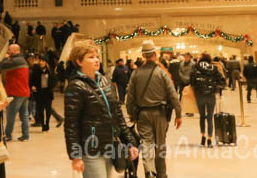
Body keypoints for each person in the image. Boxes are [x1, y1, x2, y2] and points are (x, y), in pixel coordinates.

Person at [64, 39, 138, 178]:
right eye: (91, 57)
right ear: (79, 61)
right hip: (91, 149)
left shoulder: (105, 81)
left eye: (97, 56)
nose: (96, 60)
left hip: (110, 146)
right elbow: (71, 124)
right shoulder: (76, 86)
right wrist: (75, 155)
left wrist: (130, 142)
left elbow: (117, 115)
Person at [125, 40, 182, 178]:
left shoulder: (136, 74)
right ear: (155, 54)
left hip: (143, 114)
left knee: (146, 143)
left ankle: (149, 171)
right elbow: (173, 95)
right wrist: (178, 114)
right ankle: (161, 174)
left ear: (143, 55)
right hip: (160, 114)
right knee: (160, 145)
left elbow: (130, 97)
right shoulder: (162, 73)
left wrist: (131, 113)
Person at [189, 53, 225, 146]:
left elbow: (191, 81)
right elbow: (222, 81)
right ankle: (209, 139)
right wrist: (215, 89)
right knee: (209, 117)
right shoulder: (214, 68)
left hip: (200, 95)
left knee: (202, 116)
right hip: (211, 95)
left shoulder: (196, 67)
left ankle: (203, 137)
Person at [0, 44, 31, 143]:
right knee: (24, 115)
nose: (8, 51)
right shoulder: (22, 60)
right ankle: (26, 135)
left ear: (15, 50)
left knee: (11, 115)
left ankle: (8, 135)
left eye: (10, 49)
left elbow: (1, 65)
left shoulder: (16, 61)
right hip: (24, 92)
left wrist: (5, 58)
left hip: (16, 92)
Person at [30, 56, 58, 132]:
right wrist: (32, 86)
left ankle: (47, 124)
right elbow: (31, 80)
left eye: (43, 61)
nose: (41, 62)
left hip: (48, 93)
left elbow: (54, 80)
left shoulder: (50, 71)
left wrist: (51, 86)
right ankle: (43, 125)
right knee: (40, 110)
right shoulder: (37, 70)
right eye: (40, 61)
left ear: (46, 62)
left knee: (48, 109)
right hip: (39, 93)